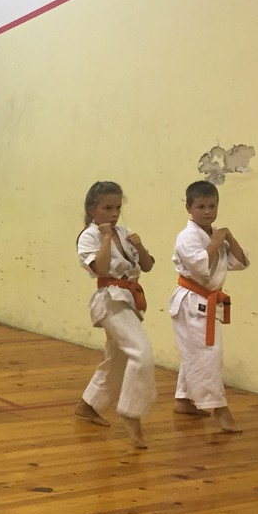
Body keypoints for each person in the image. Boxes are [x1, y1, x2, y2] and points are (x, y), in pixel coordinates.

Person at [74, 181, 156, 447]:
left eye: (117, 208)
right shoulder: (88, 236)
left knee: (118, 359)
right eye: (107, 208)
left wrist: (140, 247)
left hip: (128, 298)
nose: (114, 213)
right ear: (92, 209)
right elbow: (100, 269)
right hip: (109, 300)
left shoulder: (125, 232)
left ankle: (89, 405)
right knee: (141, 352)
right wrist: (107, 238)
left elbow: (147, 265)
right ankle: (131, 411)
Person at [170, 180, 249, 433]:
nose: (207, 211)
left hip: (205, 301)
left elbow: (241, 262)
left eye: (212, 206)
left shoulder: (215, 234)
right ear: (189, 208)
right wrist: (216, 239)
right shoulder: (187, 237)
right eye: (201, 206)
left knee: (196, 352)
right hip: (192, 300)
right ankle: (219, 409)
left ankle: (184, 399)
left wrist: (228, 236)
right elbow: (201, 267)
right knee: (208, 354)